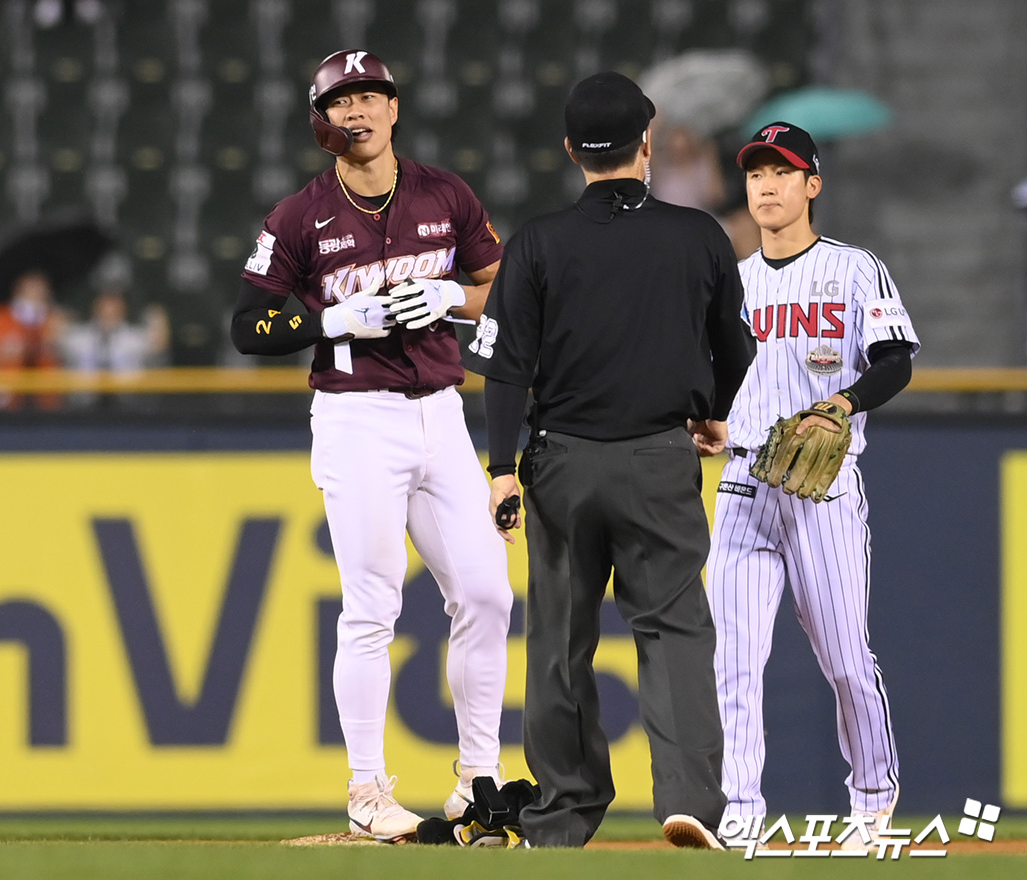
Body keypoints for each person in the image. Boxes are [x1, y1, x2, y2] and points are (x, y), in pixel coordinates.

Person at [231, 49, 513, 842]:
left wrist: (453, 293)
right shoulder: (298, 216)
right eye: (339, 101)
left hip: (443, 412)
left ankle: (476, 777)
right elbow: (247, 325)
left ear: (395, 108)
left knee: (488, 595)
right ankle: (366, 787)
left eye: (368, 96)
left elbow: (505, 288)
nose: (356, 110)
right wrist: (327, 320)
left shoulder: (445, 192)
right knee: (372, 604)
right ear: (321, 123)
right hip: (357, 418)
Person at [470, 71, 757, 849]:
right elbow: (738, 349)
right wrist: (713, 411)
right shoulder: (698, 234)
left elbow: (504, 367)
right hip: (661, 458)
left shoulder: (536, 242)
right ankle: (692, 796)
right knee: (673, 630)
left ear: (571, 150)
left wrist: (501, 466)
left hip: (560, 463)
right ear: (648, 141)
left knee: (560, 639)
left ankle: (563, 813)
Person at [707, 122, 918, 849]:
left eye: (782, 171)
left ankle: (873, 797)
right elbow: (705, 381)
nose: (766, 184)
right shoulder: (730, 282)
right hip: (742, 484)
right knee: (732, 657)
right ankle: (739, 810)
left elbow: (894, 362)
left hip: (821, 492)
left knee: (846, 661)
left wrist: (843, 404)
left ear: (812, 184)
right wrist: (702, 423)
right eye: (756, 172)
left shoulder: (855, 269)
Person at [0, 270, 64, 410]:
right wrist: (8, 352)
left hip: (46, 400)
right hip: (7, 398)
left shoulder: (54, 319)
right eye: (31, 290)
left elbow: (66, 357)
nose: (37, 295)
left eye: (41, 291)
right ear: (19, 292)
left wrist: (53, 341)